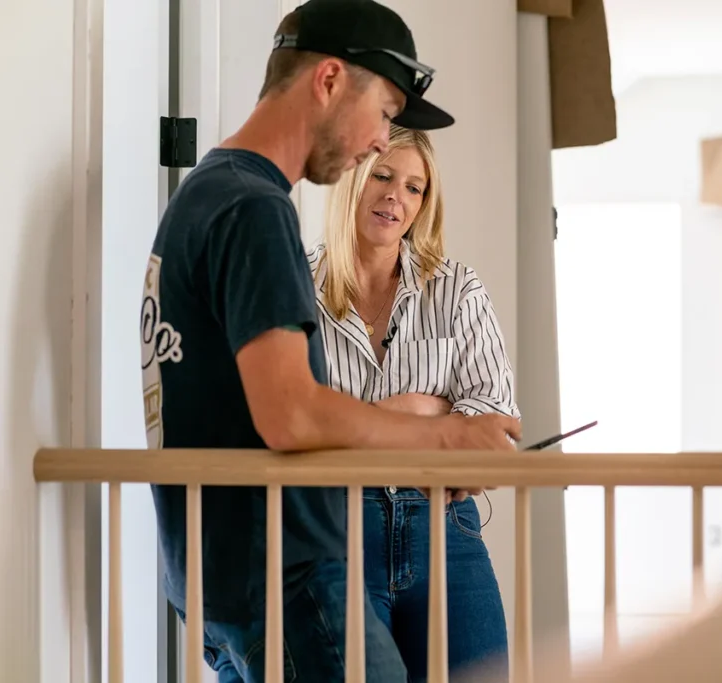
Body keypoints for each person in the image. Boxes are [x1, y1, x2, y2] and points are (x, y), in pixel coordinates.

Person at [138, 1, 521, 681]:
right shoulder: (254, 208)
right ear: (330, 80)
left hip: (219, 576)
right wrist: (447, 433)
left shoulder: (206, 193)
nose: (378, 141)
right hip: (285, 578)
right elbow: (291, 412)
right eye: (383, 110)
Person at [309, 124, 518, 681]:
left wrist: (368, 421)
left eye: (413, 187)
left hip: (443, 523)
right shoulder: (296, 287)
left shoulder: (456, 288)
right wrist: (426, 412)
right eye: (382, 176)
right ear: (352, 180)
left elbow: (496, 415)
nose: (395, 197)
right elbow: (290, 420)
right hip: (335, 526)